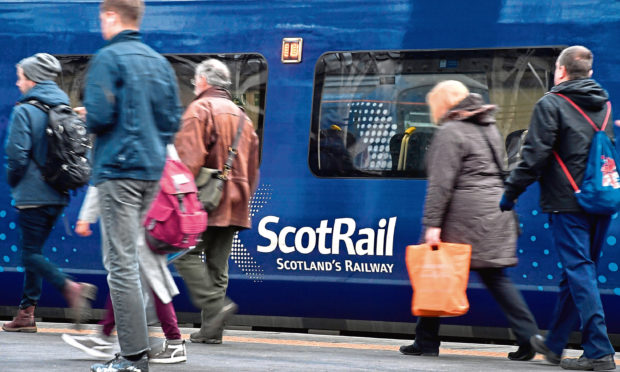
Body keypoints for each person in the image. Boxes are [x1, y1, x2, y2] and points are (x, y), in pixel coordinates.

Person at [399, 80, 539, 360]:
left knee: (435, 271)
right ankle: (529, 338)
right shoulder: (487, 127)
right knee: (495, 277)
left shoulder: (450, 131)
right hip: (495, 210)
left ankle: (426, 340)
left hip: (465, 215)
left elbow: (440, 184)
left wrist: (432, 225)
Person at [501, 46, 616, 371]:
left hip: (568, 203)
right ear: (589, 73)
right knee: (577, 271)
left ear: (561, 71)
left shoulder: (550, 103)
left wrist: (510, 193)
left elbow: (534, 155)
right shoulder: (603, 105)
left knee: (580, 271)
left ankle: (599, 351)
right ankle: (554, 346)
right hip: (601, 200)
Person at [83, 0, 182, 370]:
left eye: (102, 18)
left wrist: (88, 116)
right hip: (151, 174)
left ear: (111, 16)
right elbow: (172, 120)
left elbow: (100, 115)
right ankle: (134, 348)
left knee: (120, 264)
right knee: (135, 260)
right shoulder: (159, 62)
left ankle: (133, 356)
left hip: (118, 170)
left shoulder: (108, 58)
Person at [2, 53, 97, 333]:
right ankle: (26, 313)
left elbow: (16, 156)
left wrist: (14, 181)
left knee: (29, 254)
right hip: (59, 194)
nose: (18, 83)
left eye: (20, 78)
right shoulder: (62, 106)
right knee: (36, 252)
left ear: (31, 79)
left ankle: (71, 288)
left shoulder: (25, 110)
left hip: (32, 195)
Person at [173, 58, 260, 344]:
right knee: (218, 266)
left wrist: (177, 200)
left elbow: (188, 162)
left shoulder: (200, 109)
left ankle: (214, 304)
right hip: (235, 202)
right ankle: (212, 330)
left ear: (202, 81)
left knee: (183, 254)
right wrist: (243, 197)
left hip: (204, 201)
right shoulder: (243, 118)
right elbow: (253, 168)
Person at [62, 185, 187, 364]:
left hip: (139, 219)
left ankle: (173, 342)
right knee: (133, 278)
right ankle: (107, 336)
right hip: (151, 216)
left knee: (139, 279)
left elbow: (104, 174)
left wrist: (86, 216)